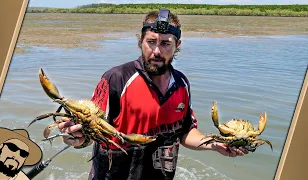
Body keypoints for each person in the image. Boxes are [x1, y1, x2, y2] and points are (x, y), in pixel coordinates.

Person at [58, 8, 248, 180]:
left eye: (165, 43)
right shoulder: (116, 78)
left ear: (177, 44)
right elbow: (92, 128)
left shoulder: (182, 84)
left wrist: (215, 145)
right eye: (151, 42)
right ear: (140, 41)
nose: (156, 51)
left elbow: (185, 132)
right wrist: (77, 137)